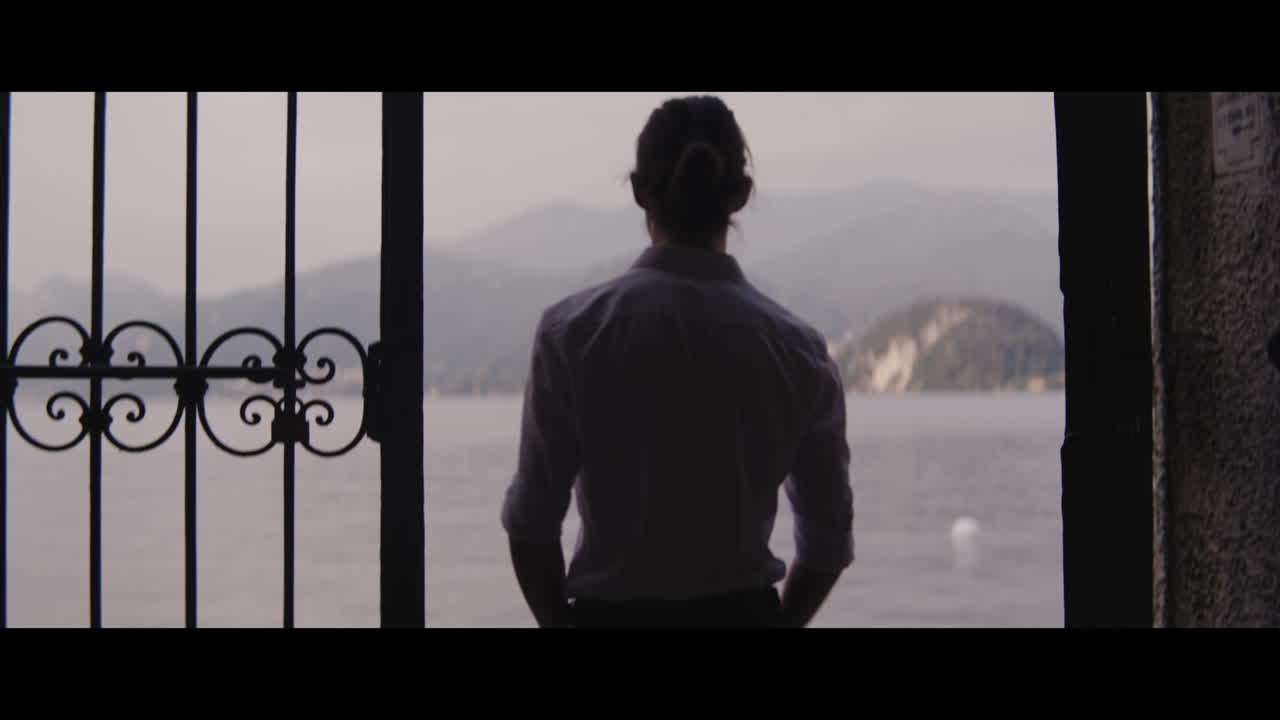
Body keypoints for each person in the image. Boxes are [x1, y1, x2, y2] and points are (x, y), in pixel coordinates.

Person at [500, 95, 854, 628]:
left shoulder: (572, 334)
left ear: (640, 190)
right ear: (740, 195)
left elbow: (530, 526)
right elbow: (827, 542)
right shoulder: (799, 353)